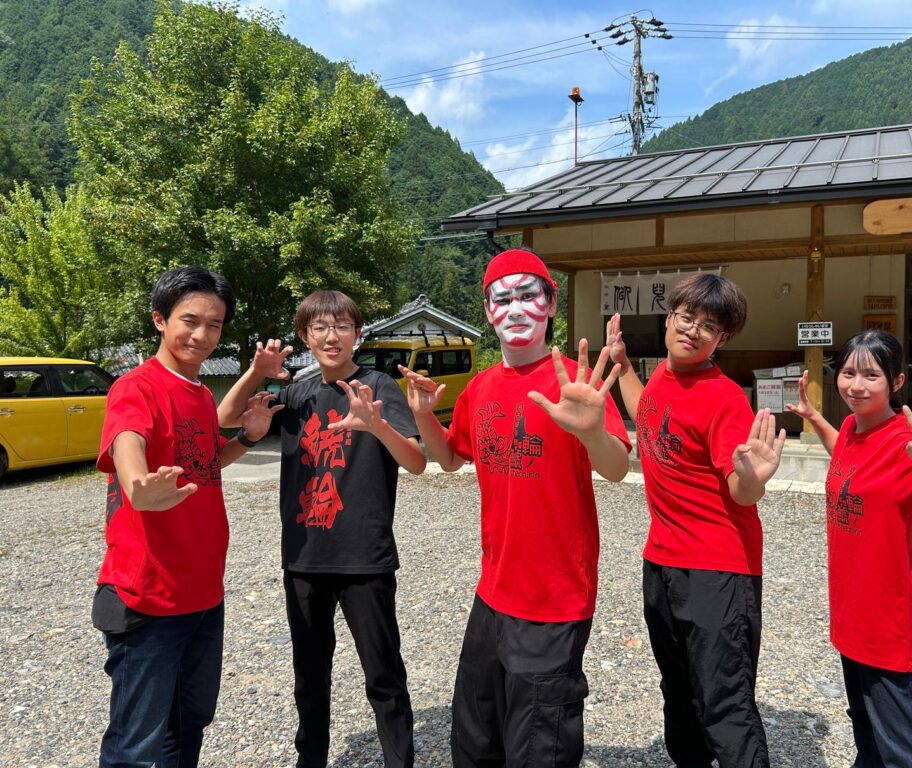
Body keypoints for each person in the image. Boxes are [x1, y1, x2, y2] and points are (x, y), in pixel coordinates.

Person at [401, 248, 631, 767]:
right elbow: (451, 458)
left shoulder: (576, 383)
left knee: (538, 746)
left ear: (551, 303)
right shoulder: (480, 387)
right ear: (488, 312)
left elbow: (617, 468)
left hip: (555, 598)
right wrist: (423, 417)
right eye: (502, 299)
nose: (517, 309)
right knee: (475, 738)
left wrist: (593, 431)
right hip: (492, 592)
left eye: (529, 295)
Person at [217, 290, 425, 768]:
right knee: (309, 674)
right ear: (305, 336)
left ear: (358, 333)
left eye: (342, 326)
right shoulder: (297, 395)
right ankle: (310, 759)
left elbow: (415, 462)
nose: (332, 337)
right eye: (320, 328)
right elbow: (225, 418)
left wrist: (377, 427)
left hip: (364, 556)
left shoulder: (377, 387)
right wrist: (256, 372)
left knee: (383, 673)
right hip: (304, 556)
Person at [93, 266, 278, 768]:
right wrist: (137, 486)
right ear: (160, 319)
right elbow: (127, 443)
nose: (201, 335)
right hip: (148, 597)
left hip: (203, 592)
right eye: (190, 321)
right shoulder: (135, 387)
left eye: (214, 325)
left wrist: (248, 438)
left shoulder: (197, 393)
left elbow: (203, 463)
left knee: (189, 722)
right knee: (136, 745)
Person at [605, 273, 786, 768]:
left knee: (723, 700)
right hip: (661, 563)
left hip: (718, 569)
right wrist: (623, 365)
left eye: (709, 326)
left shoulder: (724, 398)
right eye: (686, 318)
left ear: (721, 339)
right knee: (679, 690)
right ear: (669, 319)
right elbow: (648, 413)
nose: (693, 331)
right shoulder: (664, 378)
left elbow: (741, 491)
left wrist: (754, 479)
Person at [786, 330, 912, 767]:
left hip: (892, 625)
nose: (856, 385)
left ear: (897, 381)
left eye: (871, 375)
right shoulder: (853, 426)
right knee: (866, 730)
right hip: (853, 614)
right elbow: (848, 458)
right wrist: (815, 418)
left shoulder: (911, 443)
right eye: (848, 373)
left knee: (907, 748)